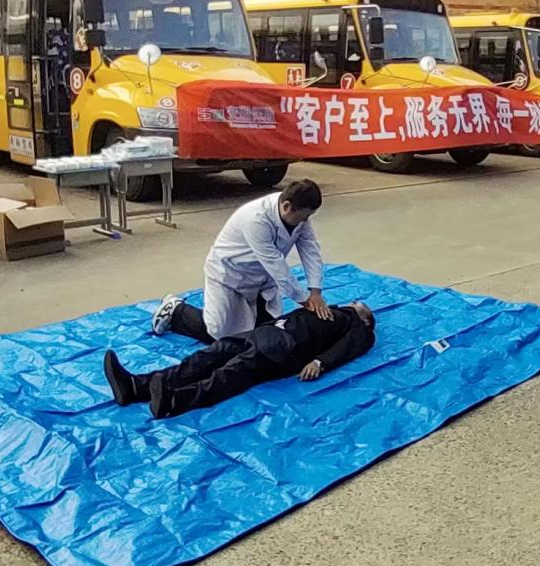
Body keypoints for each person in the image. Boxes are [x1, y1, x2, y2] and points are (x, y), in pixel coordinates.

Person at [107, 302, 376, 419]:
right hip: (266, 332)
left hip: (285, 346)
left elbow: (347, 348)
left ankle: (174, 400)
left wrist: (320, 362)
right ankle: (137, 386)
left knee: (231, 372)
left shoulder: (359, 327)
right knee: (208, 356)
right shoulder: (328, 308)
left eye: (359, 305)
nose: (355, 302)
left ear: (366, 317)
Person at [152, 180, 330, 343]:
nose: (305, 221)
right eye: (303, 216)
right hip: (229, 275)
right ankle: (177, 311)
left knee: (265, 332)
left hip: (261, 279)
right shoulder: (256, 219)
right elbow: (275, 264)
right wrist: (304, 300)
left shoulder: (299, 216)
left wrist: (315, 291)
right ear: (286, 206)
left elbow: (310, 249)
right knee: (220, 333)